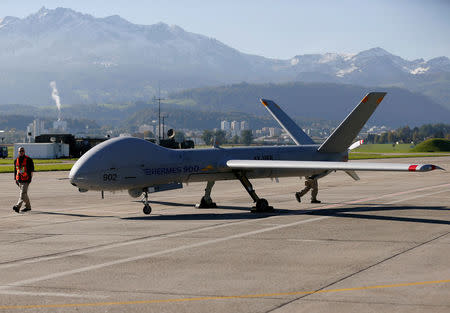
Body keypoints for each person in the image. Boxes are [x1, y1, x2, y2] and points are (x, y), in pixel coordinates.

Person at [13, 147, 34, 213]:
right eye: (20, 151)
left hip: (26, 179)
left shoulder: (29, 159)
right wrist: (15, 179)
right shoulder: (16, 160)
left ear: (24, 151)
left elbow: (32, 170)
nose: (21, 152)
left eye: (22, 151)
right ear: (18, 152)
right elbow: (15, 170)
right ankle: (28, 207)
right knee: (24, 194)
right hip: (19, 179)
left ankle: (17, 206)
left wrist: (30, 179)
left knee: (22, 194)